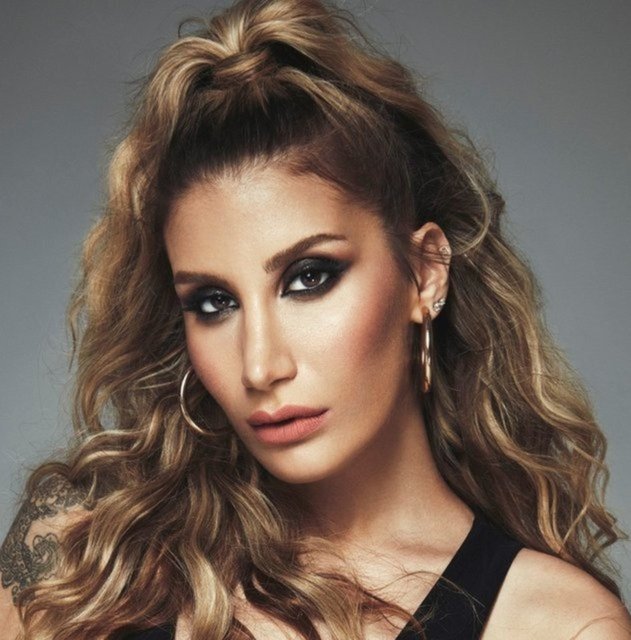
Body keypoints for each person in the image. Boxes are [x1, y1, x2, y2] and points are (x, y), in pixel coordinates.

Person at [1, 0, 630, 638]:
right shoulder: (82, 553)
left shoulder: (554, 624)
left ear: (424, 274)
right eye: (214, 302)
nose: (260, 366)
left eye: (309, 278)